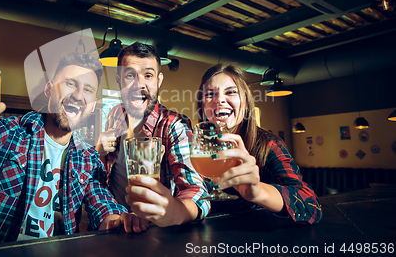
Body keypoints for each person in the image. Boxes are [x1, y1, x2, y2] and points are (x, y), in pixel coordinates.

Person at [0, 53, 144, 247]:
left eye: (88, 89)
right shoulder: (10, 132)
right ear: (48, 90)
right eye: (71, 83)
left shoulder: (88, 158)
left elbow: (101, 203)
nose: (78, 95)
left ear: (93, 104)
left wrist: (118, 218)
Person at [96, 42, 210, 228]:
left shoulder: (175, 126)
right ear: (118, 81)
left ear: (159, 80)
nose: (139, 84)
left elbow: (197, 192)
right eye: (130, 75)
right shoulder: (115, 114)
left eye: (148, 75)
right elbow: (103, 177)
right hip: (114, 224)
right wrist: (98, 151)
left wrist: (174, 211)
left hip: (156, 233)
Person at [195, 64, 322, 224]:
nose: (219, 99)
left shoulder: (268, 144)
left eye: (231, 92)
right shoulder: (193, 147)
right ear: (202, 106)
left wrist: (258, 192)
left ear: (246, 101)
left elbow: (311, 206)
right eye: (210, 94)